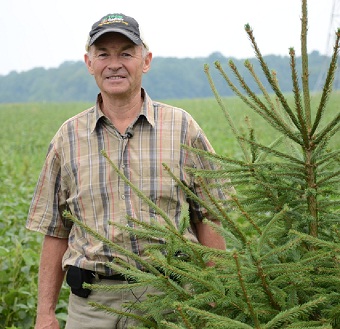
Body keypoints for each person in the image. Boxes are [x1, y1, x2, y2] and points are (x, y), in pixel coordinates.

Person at [26, 13, 226, 329]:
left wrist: (217, 296)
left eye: (126, 53)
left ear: (145, 61)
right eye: (103, 54)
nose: (114, 64)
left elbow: (211, 217)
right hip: (91, 306)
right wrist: (45, 314)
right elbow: (55, 230)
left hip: (170, 299)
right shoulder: (67, 138)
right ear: (88, 63)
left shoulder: (182, 128)